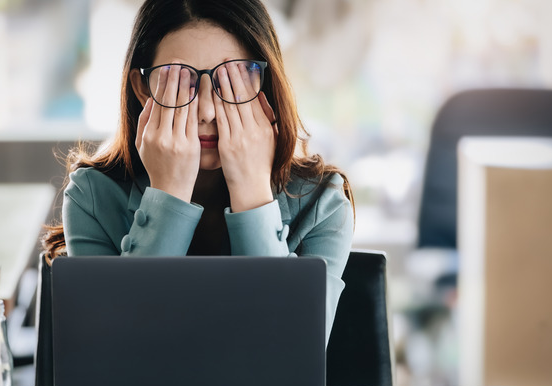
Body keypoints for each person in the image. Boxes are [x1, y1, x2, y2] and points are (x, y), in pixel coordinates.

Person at [42, 0, 355, 337]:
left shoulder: (322, 203)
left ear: (264, 86)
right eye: (180, 82)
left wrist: (252, 191)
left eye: (232, 80)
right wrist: (167, 194)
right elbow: (113, 346)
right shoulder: (93, 196)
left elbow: (291, 348)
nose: (206, 110)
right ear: (143, 88)